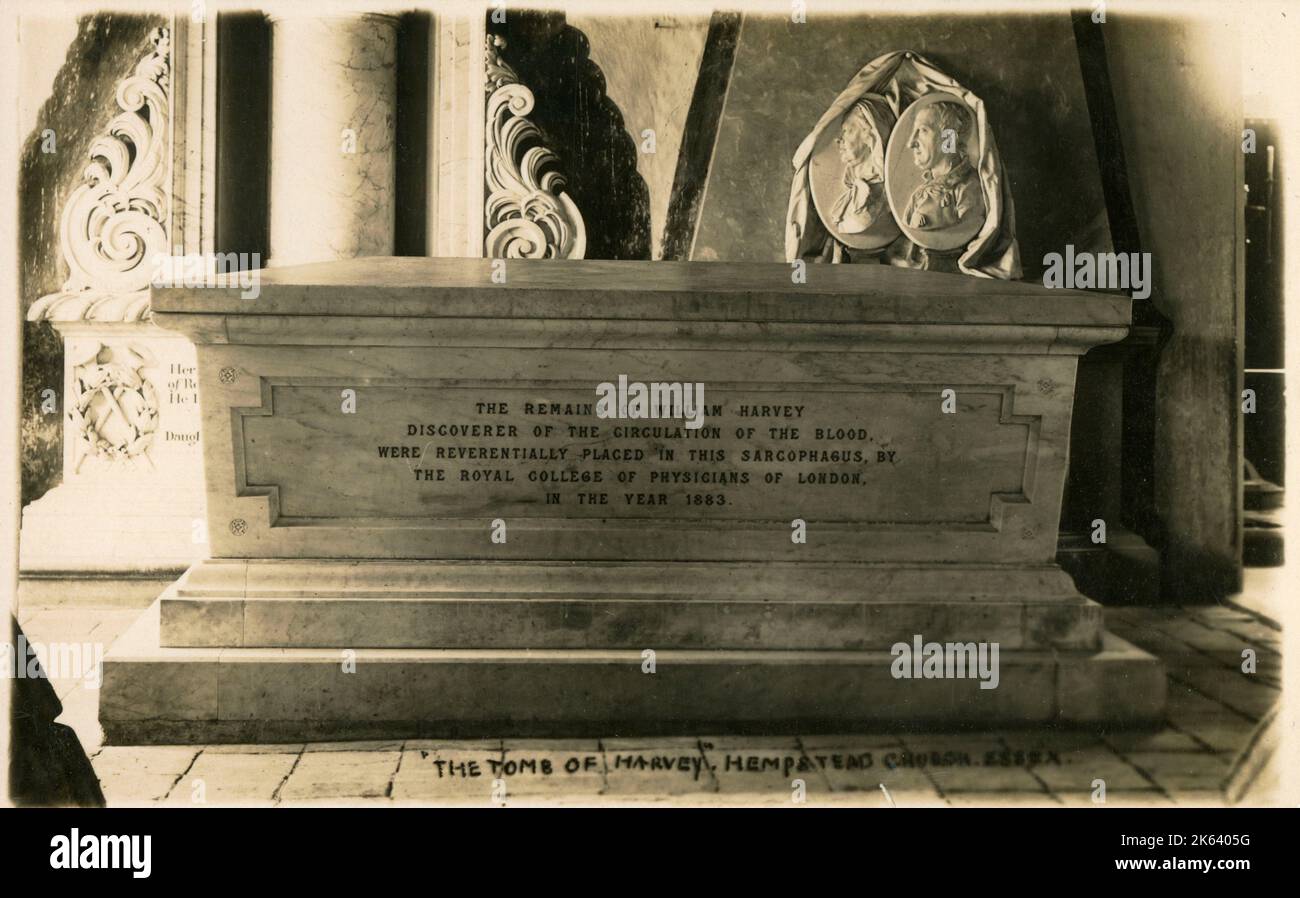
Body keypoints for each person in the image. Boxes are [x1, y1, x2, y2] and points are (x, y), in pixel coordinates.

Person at [902, 100, 984, 232]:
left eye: (923, 130)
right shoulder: (918, 195)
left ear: (948, 140)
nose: (911, 143)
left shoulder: (970, 189)